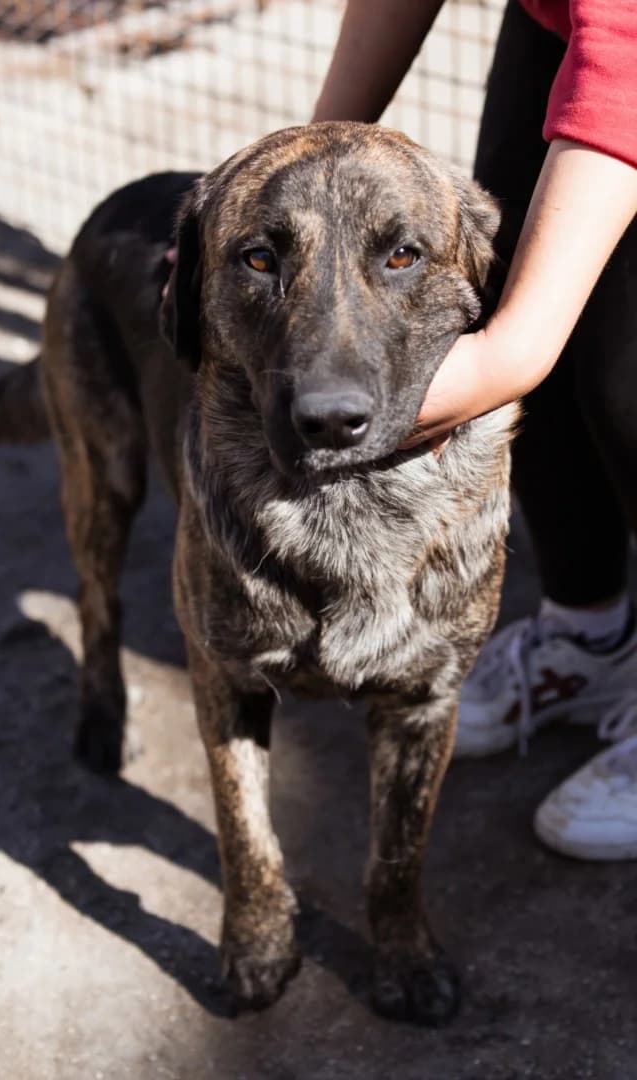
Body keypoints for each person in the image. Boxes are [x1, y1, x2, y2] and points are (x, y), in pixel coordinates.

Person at [312, 0, 637, 860]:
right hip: (563, 16)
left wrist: (507, 357)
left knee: (620, 373)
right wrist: (304, 159)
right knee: (501, 293)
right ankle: (591, 633)